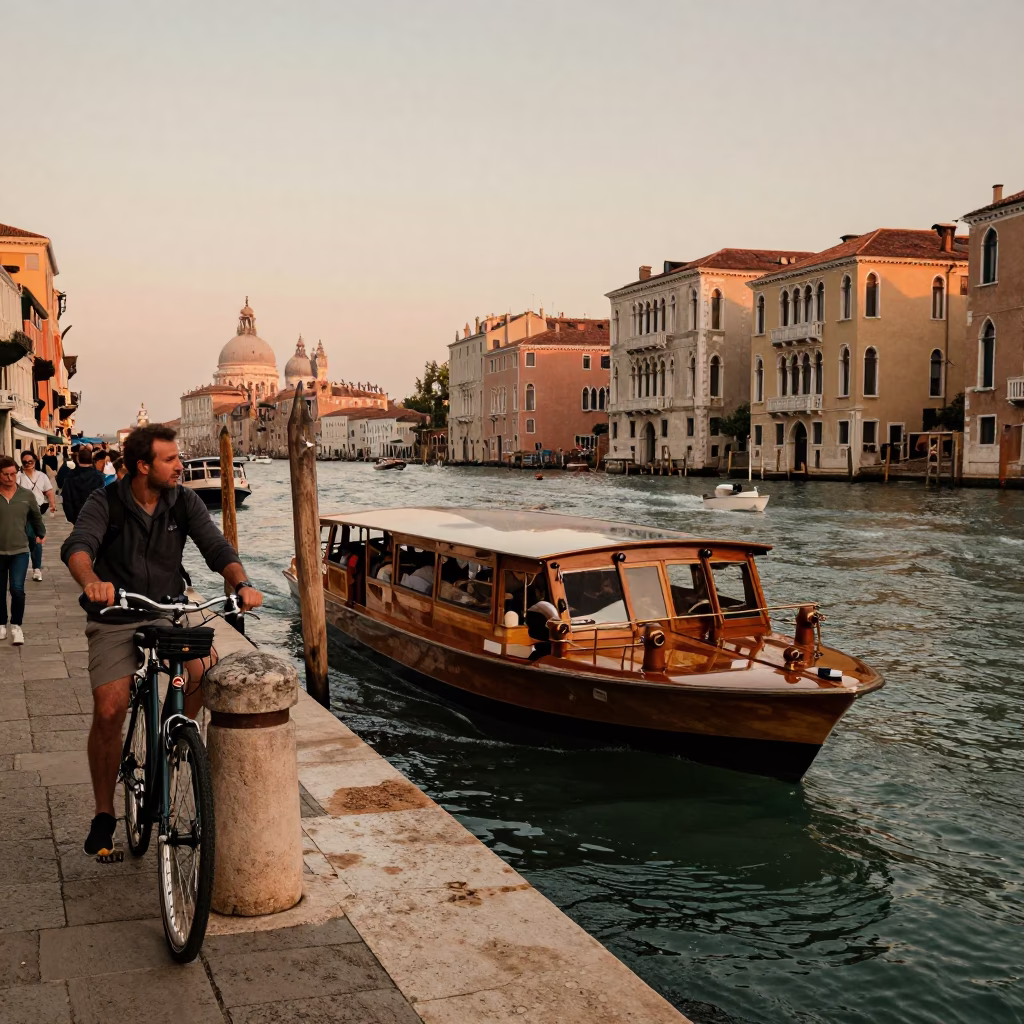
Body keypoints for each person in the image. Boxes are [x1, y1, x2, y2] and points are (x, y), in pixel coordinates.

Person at [61, 424, 263, 859]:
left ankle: (174, 741)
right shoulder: (106, 501)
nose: (180, 465)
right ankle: (103, 814)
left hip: (167, 608)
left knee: (205, 672)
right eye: (170, 459)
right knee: (111, 707)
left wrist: (241, 582)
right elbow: (78, 545)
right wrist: (93, 581)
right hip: (114, 612)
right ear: (142, 466)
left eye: (179, 458)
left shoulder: (183, 500)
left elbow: (217, 548)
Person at [0, 456, 45, 645]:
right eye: (6, 475)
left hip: (20, 550)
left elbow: (36, 517)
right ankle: (1, 624)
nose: (10, 478)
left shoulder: (26, 495)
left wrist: (40, 533)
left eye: (13, 474)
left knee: (17, 589)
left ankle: (16, 626)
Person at [17, 452, 56, 582]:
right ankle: (24, 568)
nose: (28, 464)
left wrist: (52, 503)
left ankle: (37, 569)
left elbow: (49, 490)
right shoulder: (18, 477)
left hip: (37, 511)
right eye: (25, 462)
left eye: (30, 461)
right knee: (26, 538)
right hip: (21, 511)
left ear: (35, 462)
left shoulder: (42, 476)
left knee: (36, 538)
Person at [61, 447, 106, 523]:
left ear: (78, 459)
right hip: (94, 514)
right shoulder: (99, 476)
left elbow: (66, 498)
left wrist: (70, 517)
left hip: (76, 515)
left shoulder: (70, 476)